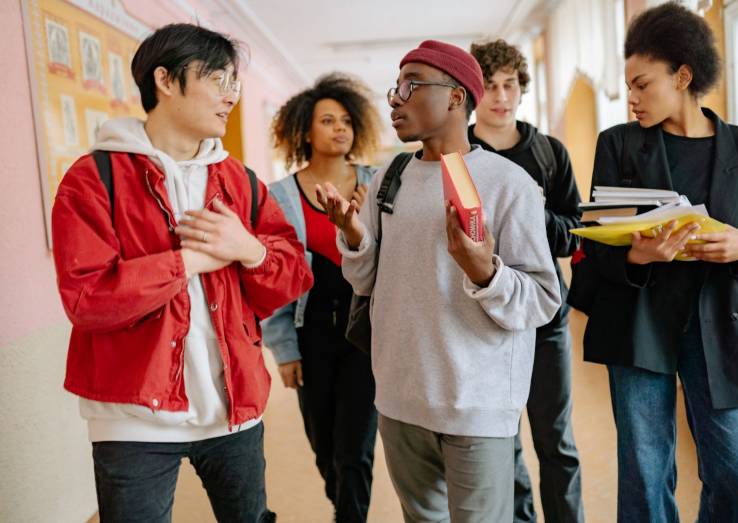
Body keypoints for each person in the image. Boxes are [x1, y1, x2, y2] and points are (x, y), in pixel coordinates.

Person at [51, 23, 313, 522]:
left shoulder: (238, 180)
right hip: (132, 420)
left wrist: (249, 250)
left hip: (233, 409)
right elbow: (87, 300)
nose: (230, 95)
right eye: (218, 79)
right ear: (166, 81)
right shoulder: (94, 178)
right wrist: (191, 261)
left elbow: (291, 276)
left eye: (234, 82)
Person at [317, 40, 561, 523]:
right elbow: (365, 283)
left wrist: (482, 270)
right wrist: (353, 235)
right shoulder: (392, 176)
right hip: (400, 398)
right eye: (395, 87)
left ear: (456, 96)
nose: (395, 98)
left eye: (411, 85)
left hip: (477, 403)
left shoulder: (507, 183)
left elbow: (542, 300)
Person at [580, 3, 738, 521]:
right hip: (639, 319)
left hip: (718, 319)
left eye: (642, 84)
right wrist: (636, 253)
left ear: (683, 75)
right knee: (645, 471)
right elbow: (599, 240)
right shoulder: (618, 145)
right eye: (627, 86)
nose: (631, 98)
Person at [469, 38, 584, 523]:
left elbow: (573, 234)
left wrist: (531, 210)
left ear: (521, 88)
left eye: (509, 84)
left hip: (544, 315)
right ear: (473, 92)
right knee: (503, 439)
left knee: (555, 439)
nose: (500, 95)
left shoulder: (550, 153)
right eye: (490, 85)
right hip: (481, 317)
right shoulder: (457, 154)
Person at [262, 73, 382, 523]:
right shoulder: (279, 196)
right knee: (324, 447)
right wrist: (284, 350)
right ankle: (343, 506)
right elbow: (272, 280)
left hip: (364, 335)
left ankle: (350, 516)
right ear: (304, 132)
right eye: (327, 120)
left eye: (346, 121)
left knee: (356, 447)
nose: (339, 129)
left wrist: (369, 219)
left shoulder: (378, 183)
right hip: (309, 334)